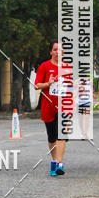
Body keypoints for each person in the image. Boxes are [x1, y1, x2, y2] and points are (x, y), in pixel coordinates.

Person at [34, 41, 72, 176]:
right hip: (48, 106)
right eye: (55, 50)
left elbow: (75, 86)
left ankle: (60, 163)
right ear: (51, 52)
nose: (58, 52)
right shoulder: (44, 66)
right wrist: (48, 83)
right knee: (52, 137)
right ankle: (54, 161)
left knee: (61, 134)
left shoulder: (69, 68)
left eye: (60, 50)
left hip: (64, 106)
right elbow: (36, 85)